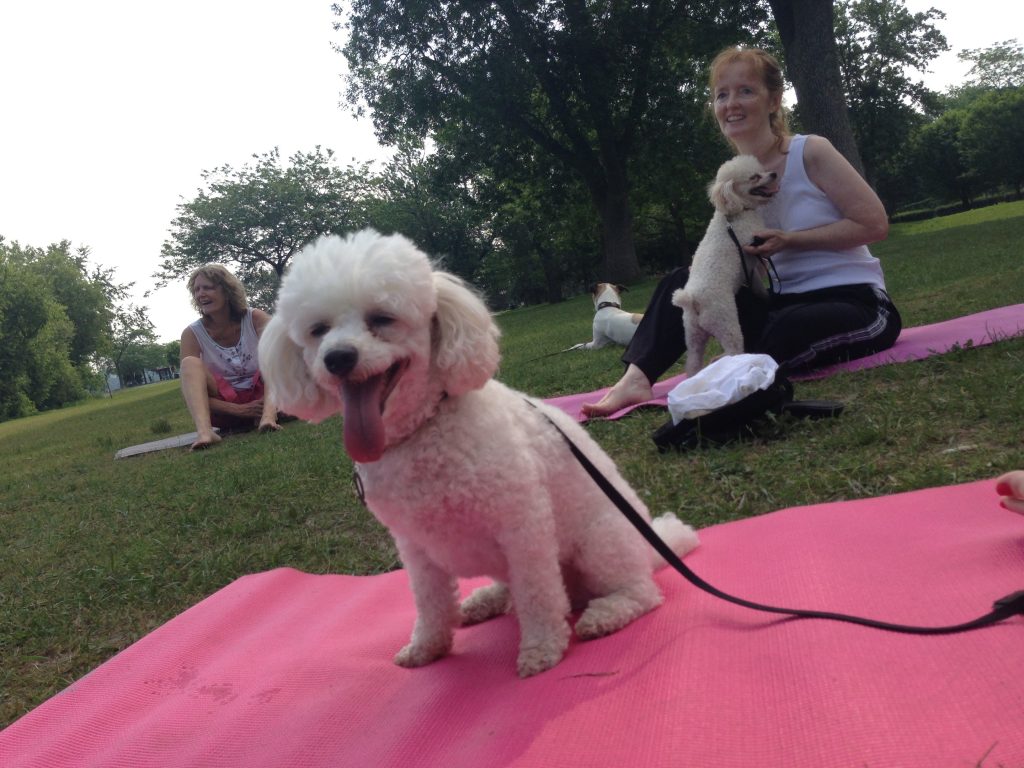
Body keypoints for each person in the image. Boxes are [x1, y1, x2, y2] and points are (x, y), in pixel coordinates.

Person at [583, 46, 902, 417]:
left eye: (745, 91)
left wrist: (790, 241)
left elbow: (874, 224)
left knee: (782, 332)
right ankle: (636, 379)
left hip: (855, 303)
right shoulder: (733, 180)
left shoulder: (810, 152)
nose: (731, 103)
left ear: (774, 100)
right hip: (780, 302)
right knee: (683, 283)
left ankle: (737, 369)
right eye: (722, 94)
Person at [179, 264, 280, 450]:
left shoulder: (255, 318)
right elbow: (193, 395)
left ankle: (268, 417)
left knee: (274, 350)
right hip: (227, 408)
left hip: (270, 397)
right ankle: (205, 433)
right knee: (189, 363)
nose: (200, 294)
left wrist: (266, 407)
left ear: (226, 291)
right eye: (196, 290)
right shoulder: (192, 333)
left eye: (208, 287)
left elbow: (284, 361)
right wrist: (241, 411)